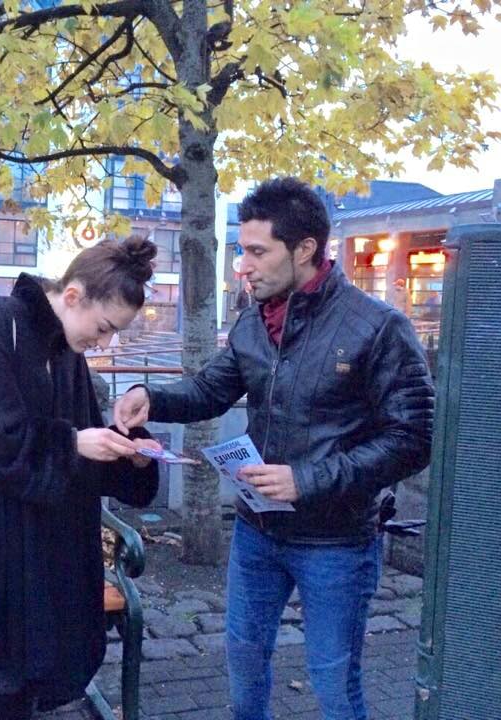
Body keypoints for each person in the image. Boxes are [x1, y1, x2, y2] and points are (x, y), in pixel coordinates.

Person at [113, 177, 434, 720]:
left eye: (258, 252)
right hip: (257, 532)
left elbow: (413, 439)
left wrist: (305, 480)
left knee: (334, 684)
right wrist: (152, 397)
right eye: (242, 250)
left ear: (304, 249)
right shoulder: (255, 321)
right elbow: (211, 390)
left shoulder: (379, 328)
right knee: (243, 668)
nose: (243, 266)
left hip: (337, 542)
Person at [0, 236, 163, 719]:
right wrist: (72, 443)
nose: (105, 343)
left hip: (49, 550)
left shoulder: (66, 350)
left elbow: (83, 449)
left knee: (21, 693)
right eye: (104, 328)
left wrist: (130, 456)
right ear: (73, 295)